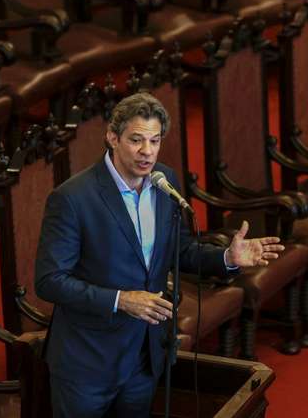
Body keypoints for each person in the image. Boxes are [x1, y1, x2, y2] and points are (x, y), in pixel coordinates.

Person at [35, 92, 284, 417]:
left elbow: (180, 250)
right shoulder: (72, 198)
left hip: (145, 355)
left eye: (155, 141)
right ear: (112, 137)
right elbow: (49, 281)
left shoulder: (164, 182)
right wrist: (121, 300)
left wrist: (227, 258)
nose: (147, 151)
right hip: (88, 362)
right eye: (136, 140)